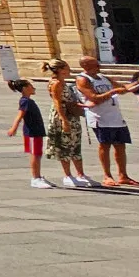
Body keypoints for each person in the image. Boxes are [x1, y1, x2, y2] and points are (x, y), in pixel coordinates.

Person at [77, 56, 139, 187]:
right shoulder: (83, 79)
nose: (99, 66)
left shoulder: (103, 77)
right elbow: (94, 98)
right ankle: (107, 175)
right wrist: (113, 91)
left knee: (120, 145)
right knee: (105, 145)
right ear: (86, 66)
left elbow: (123, 89)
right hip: (100, 117)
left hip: (115, 116)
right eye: (95, 64)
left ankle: (123, 175)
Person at [44, 58, 93, 188]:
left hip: (71, 116)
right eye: (66, 67)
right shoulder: (56, 83)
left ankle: (80, 174)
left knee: (75, 144)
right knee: (65, 146)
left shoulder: (62, 82)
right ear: (59, 70)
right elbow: (57, 102)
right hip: (63, 116)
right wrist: (64, 120)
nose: (69, 69)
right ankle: (68, 175)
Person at [7, 78, 51, 188]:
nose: (34, 87)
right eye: (31, 85)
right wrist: (14, 127)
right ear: (25, 88)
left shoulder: (28, 101)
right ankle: (35, 178)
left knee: (37, 154)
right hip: (32, 132)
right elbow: (20, 115)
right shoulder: (25, 102)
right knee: (35, 154)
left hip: (35, 131)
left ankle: (38, 176)